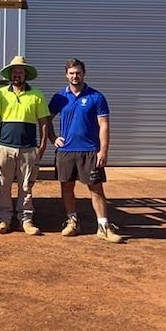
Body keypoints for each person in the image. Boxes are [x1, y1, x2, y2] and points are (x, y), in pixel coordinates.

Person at [48, 58, 125, 243]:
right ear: (66, 75)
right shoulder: (59, 97)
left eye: (78, 72)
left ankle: (103, 226)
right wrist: (53, 138)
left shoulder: (96, 97)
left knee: (96, 189)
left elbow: (104, 125)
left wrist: (103, 151)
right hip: (66, 151)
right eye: (72, 73)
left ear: (84, 73)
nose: (75, 76)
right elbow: (46, 119)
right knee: (67, 187)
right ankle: (72, 221)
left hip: (90, 151)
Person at [0, 56, 50, 236]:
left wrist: (43, 145)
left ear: (26, 74)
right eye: (14, 71)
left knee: (26, 186)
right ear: (10, 74)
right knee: (3, 185)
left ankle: (26, 220)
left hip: (29, 148)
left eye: (20, 72)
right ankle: (4, 220)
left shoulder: (37, 94)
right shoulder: (1, 94)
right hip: (4, 147)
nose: (17, 75)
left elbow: (43, 122)